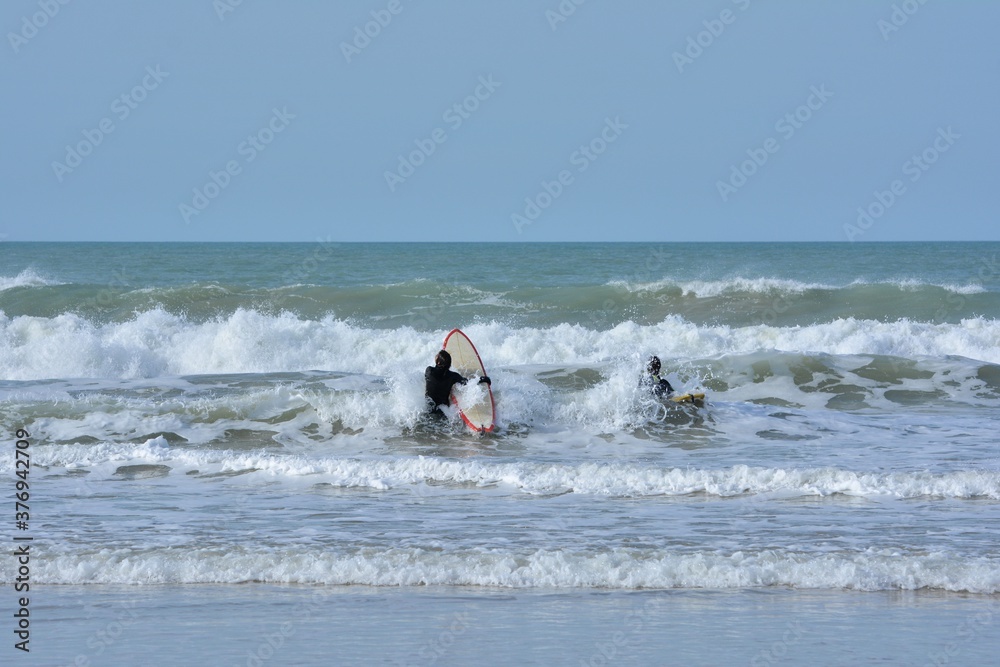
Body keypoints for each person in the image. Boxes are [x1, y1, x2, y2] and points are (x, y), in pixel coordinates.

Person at [425, 349, 491, 417]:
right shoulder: (453, 376)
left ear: (438, 362)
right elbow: (467, 383)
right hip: (443, 410)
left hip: (428, 408)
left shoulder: (429, 370)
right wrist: (482, 379)